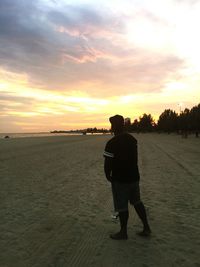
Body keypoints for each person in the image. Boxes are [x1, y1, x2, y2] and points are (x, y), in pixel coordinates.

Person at [103, 115, 151, 240]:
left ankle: (123, 232)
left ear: (114, 126)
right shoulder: (132, 139)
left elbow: (107, 163)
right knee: (137, 201)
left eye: (112, 125)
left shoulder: (111, 143)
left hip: (120, 179)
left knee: (122, 206)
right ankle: (146, 227)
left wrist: (108, 176)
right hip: (134, 176)